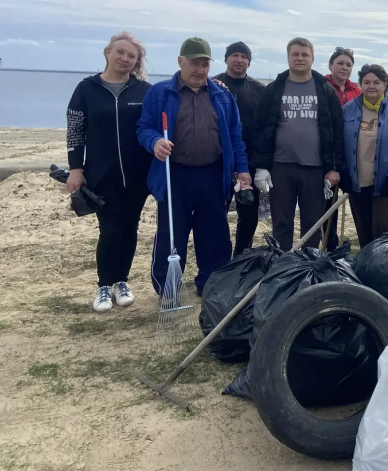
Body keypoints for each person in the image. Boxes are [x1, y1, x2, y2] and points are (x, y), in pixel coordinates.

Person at [137, 37, 251, 296]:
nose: (199, 70)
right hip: (174, 174)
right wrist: (154, 142)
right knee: (172, 233)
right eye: (194, 64)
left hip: (212, 174)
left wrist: (242, 169)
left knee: (214, 232)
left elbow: (235, 136)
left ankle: (212, 284)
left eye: (204, 65)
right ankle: (168, 287)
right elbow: (144, 128)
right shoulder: (159, 92)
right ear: (180, 62)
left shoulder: (222, 95)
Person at [66, 31, 152, 312]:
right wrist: (75, 168)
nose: (125, 59)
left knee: (130, 229)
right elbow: (75, 131)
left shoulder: (144, 90)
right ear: (108, 53)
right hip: (101, 175)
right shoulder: (86, 88)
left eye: (132, 56)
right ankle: (104, 285)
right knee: (110, 229)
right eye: (121, 53)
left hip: (137, 176)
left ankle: (121, 282)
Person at [252, 37, 343, 249]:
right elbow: (260, 129)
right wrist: (261, 166)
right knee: (281, 223)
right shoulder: (273, 90)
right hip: (280, 168)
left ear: (312, 59)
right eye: (295, 54)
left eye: (304, 54)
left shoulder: (325, 90)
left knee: (312, 224)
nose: (300, 58)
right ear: (288, 58)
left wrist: (334, 168)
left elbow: (336, 132)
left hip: (315, 169)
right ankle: (282, 268)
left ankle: (307, 268)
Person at [342, 64, 388, 247]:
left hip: (386, 181)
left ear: (385, 84)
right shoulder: (348, 110)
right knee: (363, 227)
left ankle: (384, 266)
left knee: (381, 226)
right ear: (360, 84)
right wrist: (342, 170)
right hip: (357, 181)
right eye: (366, 82)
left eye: (376, 82)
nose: (371, 86)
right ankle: (367, 267)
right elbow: (339, 144)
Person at [213, 41, 266, 257]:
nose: (239, 60)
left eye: (244, 57)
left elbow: (266, 128)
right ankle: (218, 257)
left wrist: (263, 164)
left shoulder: (259, 90)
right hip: (218, 162)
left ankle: (241, 256)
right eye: (235, 55)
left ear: (250, 62)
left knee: (249, 215)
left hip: (249, 163)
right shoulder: (212, 86)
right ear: (226, 59)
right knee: (217, 214)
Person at [323, 46, 361, 248]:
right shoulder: (321, 86)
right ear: (330, 65)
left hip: (352, 157)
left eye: (348, 64)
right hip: (327, 156)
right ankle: (329, 247)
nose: (344, 67)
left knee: (358, 204)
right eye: (340, 63)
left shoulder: (357, 91)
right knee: (328, 209)